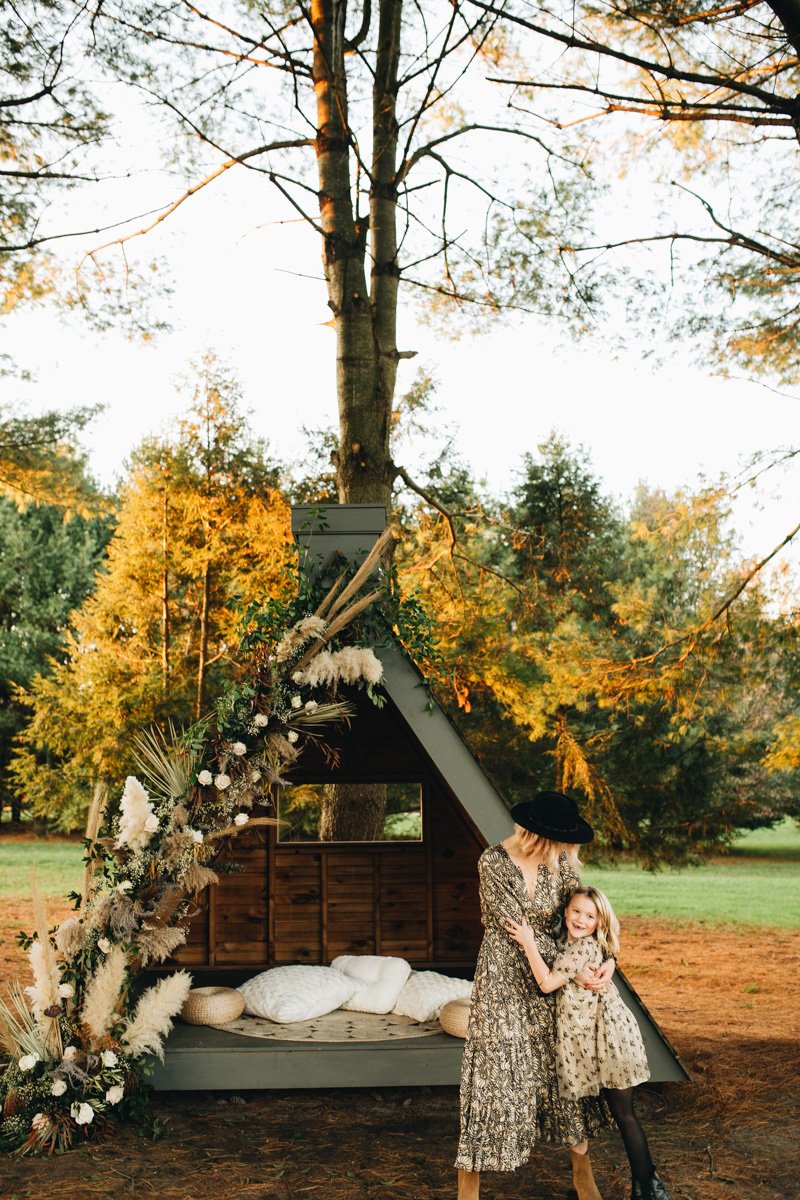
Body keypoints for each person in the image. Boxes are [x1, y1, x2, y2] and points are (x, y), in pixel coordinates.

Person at [455, 791, 615, 1200]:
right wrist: (574, 972)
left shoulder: (561, 863)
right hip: (503, 977)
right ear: (540, 836)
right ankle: (469, 1181)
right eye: (560, 842)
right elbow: (515, 930)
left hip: (552, 979)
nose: (567, 850)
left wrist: (605, 962)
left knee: (561, 1068)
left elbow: (584, 922)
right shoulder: (492, 862)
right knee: (492, 1074)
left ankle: (582, 1170)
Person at [504, 884, 673, 1200]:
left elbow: (546, 983)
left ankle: (647, 1191)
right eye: (577, 911)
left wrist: (527, 941)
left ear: (599, 922)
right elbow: (575, 955)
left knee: (624, 1115)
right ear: (566, 912)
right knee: (623, 1115)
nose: (581, 919)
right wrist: (610, 960)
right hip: (599, 1040)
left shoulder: (580, 948)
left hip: (612, 1041)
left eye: (590, 916)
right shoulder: (571, 944)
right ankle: (648, 1188)